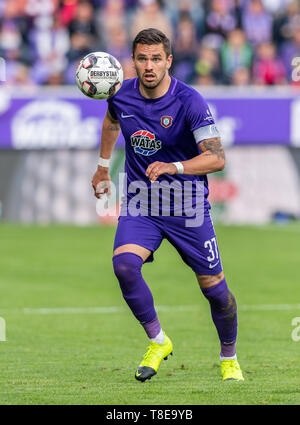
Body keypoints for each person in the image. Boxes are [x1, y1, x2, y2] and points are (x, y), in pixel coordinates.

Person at [92, 28, 244, 383]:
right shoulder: (120, 95)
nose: (149, 66)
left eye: (156, 59)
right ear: (133, 61)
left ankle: (229, 357)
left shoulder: (188, 100)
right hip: (142, 202)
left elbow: (216, 159)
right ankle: (158, 340)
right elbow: (112, 121)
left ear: (169, 61)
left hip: (187, 206)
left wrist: (174, 166)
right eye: (142, 58)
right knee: (125, 266)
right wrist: (102, 168)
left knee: (217, 292)